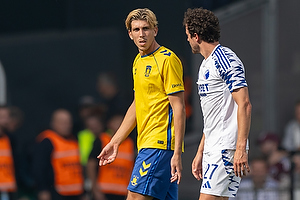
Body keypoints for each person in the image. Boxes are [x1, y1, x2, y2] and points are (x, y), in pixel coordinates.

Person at [97, 8, 186, 200]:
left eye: (146, 28)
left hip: (160, 144)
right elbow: (137, 104)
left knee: (134, 197)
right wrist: (115, 141)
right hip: (145, 142)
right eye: (136, 29)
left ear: (155, 30)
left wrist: (177, 152)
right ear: (130, 34)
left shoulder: (168, 60)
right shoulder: (138, 61)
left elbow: (179, 107)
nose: (141, 34)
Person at [183, 8, 252, 199]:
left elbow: (244, 104)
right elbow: (213, 116)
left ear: (196, 36)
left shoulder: (225, 59)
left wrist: (240, 149)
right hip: (214, 147)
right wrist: (200, 151)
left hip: (226, 148)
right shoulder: (206, 63)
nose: (187, 40)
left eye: (188, 36)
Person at [33, 109, 85, 200]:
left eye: (68, 122)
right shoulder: (47, 141)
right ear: (53, 123)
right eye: (62, 122)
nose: (67, 125)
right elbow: (39, 168)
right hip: (56, 193)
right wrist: (43, 189)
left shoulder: (73, 141)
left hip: (76, 192)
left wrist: (83, 192)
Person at [88, 114, 134, 200]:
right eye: (116, 122)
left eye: (122, 122)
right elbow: (91, 165)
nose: (119, 125)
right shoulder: (102, 140)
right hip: (103, 191)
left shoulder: (130, 144)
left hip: (122, 192)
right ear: (109, 124)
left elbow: (132, 168)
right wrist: (95, 189)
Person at [0, 106, 17, 200]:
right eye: (2, 116)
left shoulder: (11, 139)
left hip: (9, 187)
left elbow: (16, 163)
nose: (5, 120)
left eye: (7, 117)